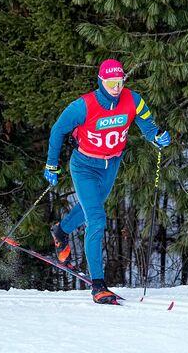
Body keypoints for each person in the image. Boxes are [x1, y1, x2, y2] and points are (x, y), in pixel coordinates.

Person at [43, 59, 170, 304]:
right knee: (97, 219)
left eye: (120, 82)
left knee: (94, 207)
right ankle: (98, 286)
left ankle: (61, 230)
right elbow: (58, 130)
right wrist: (51, 164)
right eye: (111, 82)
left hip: (110, 165)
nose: (116, 87)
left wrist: (157, 137)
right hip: (85, 166)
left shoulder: (133, 100)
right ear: (101, 81)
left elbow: (147, 124)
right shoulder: (84, 106)